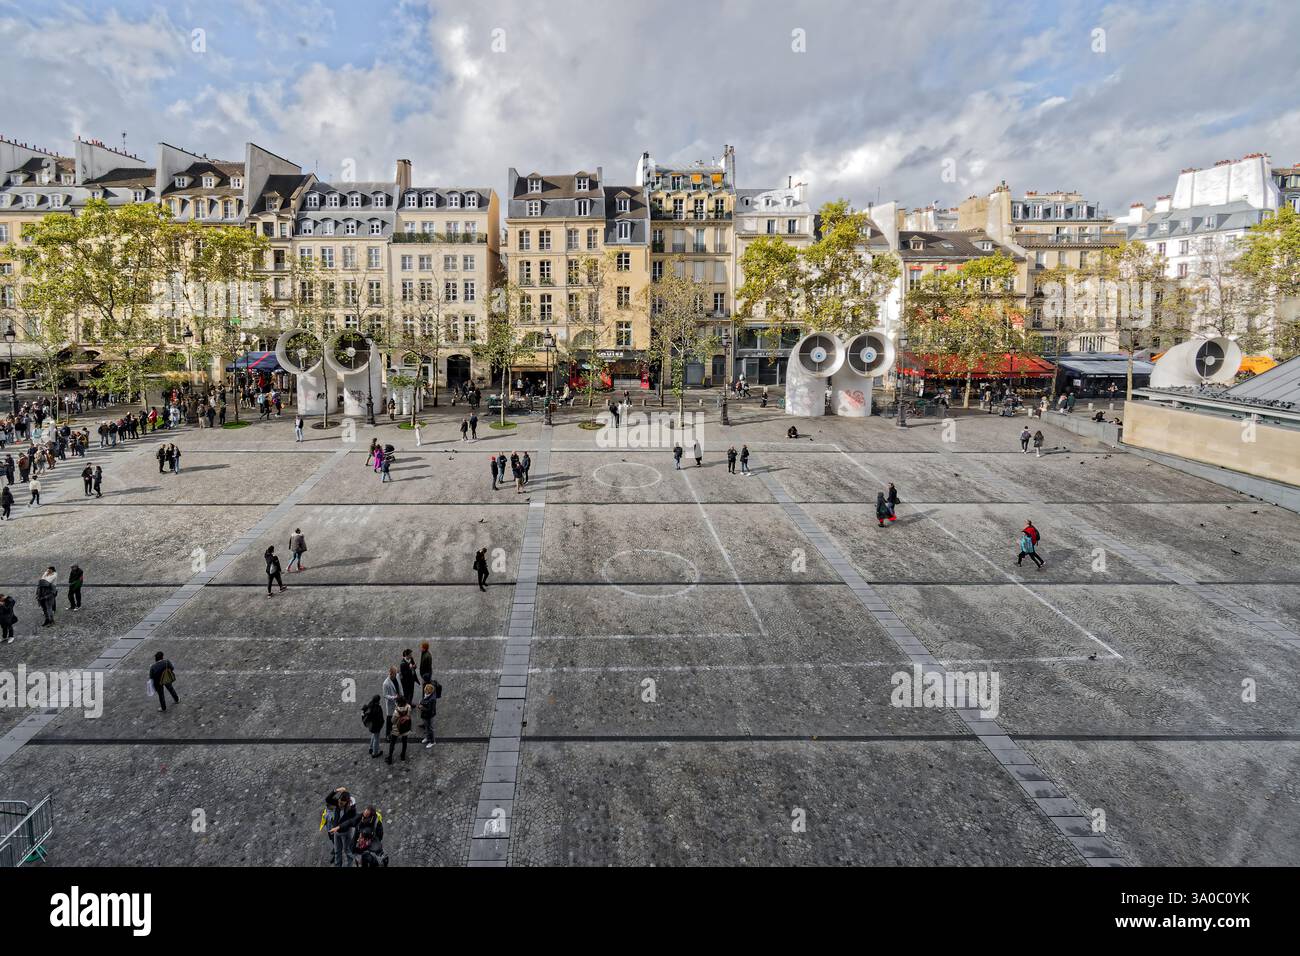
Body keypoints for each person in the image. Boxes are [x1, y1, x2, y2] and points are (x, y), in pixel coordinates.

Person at [387, 695, 412, 764]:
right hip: (405, 728)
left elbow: (393, 721)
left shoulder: (396, 711)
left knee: (392, 743)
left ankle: (390, 758)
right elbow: (409, 716)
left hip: (396, 729)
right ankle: (403, 755)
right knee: (404, 742)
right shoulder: (408, 707)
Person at [419, 681, 439, 748]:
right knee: (426, 727)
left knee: (430, 728)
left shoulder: (432, 699)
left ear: (429, 691)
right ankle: (427, 738)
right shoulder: (428, 695)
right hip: (425, 715)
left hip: (429, 715)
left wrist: (422, 707)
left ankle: (432, 741)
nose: (424, 692)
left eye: (425, 691)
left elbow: (430, 710)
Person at [382, 666, 400, 737]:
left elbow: (399, 686)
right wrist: (394, 697)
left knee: (397, 716)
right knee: (389, 720)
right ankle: (388, 734)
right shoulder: (386, 683)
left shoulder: (396, 677)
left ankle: (396, 729)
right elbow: (385, 695)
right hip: (391, 704)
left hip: (397, 701)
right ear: (391, 674)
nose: (396, 675)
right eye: (395, 674)